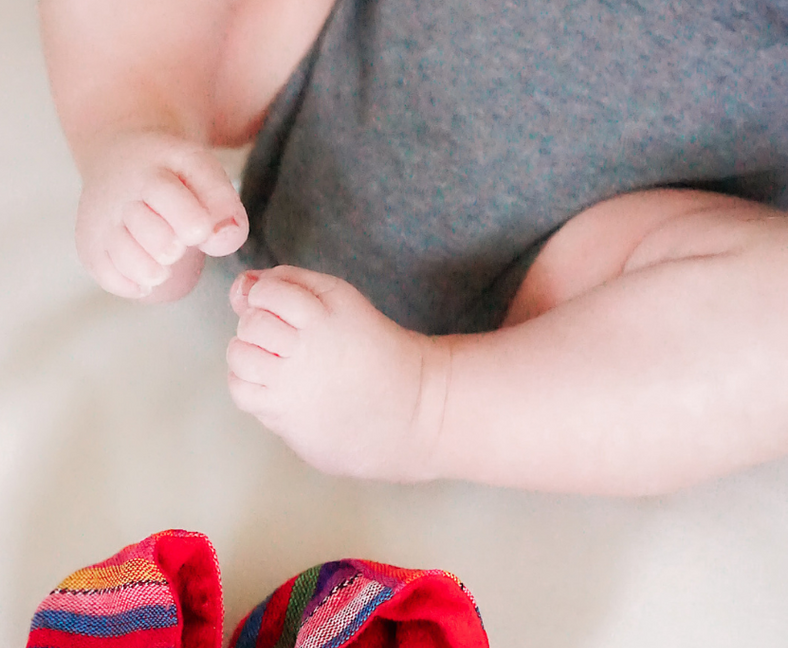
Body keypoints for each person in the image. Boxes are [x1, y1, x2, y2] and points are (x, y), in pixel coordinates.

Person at [39, 0, 788, 494]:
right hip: (325, 46)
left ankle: (429, 408)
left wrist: (427, 404)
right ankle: (136, 124)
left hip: (595, 267)